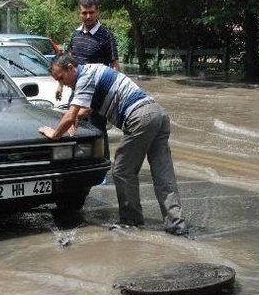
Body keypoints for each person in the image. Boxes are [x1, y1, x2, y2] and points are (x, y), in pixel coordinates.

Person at [39, 53, 187, 236]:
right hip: (158, 114)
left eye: (61, 78)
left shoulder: (84, 77)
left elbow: (70, 114)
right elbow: (88, 108)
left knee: (122, 171)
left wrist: (54, 134)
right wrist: (76, 115)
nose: (63, 83)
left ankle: (131, 221)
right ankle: (176, 226)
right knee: (163, 175)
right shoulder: (94, 70)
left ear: (71, 67)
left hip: (140, 117)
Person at [56, 0, 120, 161]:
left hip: (98, 91)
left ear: (97, 12)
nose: (88, 16)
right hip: (77, 89)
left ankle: (102, 165)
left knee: (97, 129)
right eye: (84, 13)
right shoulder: (75, 34)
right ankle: (78, 162)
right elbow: (67, 63)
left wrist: (114, 91)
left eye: (91, 12)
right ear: (80, 13)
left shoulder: (106, 36)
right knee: (73, 124)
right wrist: (60, 85)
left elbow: (114, 65)